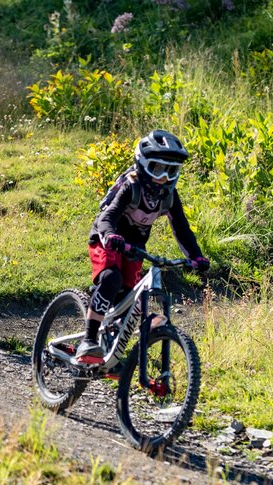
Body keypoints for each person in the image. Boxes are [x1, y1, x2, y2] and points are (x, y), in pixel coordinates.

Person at [77, 129, 210, 361]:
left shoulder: (169, 195)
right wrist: (109, 235)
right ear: (143, 165)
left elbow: (181, 228)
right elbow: (108, 217)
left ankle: (112, 350)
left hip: (135, 247)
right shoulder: (131, 186)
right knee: (111, 278)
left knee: (132, 296)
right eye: (158, 169)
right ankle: (88, 341)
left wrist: (196, 256)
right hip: (107, 238)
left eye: (172, 171)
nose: (164, 178)